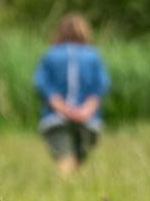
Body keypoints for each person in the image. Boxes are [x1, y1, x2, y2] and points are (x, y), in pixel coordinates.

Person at [33, 13, 111, 175]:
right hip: (88, 120)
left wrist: (65, 110)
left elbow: (43, 86)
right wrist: (85, 111)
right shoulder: (93, 56)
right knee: (77, 162)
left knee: (65, 160)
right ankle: (71, 192)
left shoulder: (51, 55)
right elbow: (100, 87)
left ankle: (64, 193)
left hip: (56, 119)